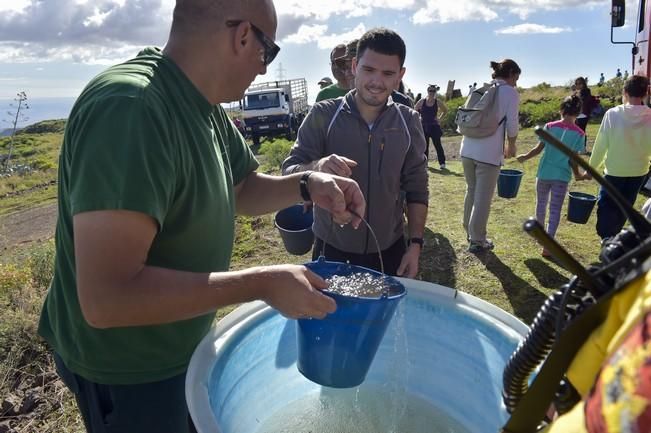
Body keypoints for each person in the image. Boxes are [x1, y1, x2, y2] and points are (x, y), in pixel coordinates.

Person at [37, 1, 367, 432]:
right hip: (129, 369)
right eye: (267, 53)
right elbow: (107, 299)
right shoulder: (131, 109)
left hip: (180, 344)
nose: (264, 70)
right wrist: (262, 283)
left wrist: (308, 183)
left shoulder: (204, 105)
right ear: (243, 35)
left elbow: (243, 188)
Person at [282, 28, 429, 278]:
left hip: (389, 249)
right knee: (331, 316)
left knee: (385, 317)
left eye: (388, 73)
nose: (376, 82)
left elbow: (417, 187)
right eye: (369, 70)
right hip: (331, 248)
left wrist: (415, 245)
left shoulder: (409, 121)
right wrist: (317, 167)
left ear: (400, 76)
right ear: (354, 66)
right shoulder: (322, 115)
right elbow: (289, 170)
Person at [459, 59, 521, 253]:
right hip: (488, 152)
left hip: (467, 148)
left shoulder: (481, 88)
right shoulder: (510, 92)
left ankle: (469, 231)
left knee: (471, 190)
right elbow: (512, 123)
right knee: (483, 198)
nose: (516, 83)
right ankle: (478, 240)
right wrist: (511, 145)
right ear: (510, 73)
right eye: (516, 78)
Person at [516, 95, 586, 257]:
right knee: (555, 210)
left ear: (561, 109)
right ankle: (548, 246)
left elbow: (538, 149)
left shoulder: (550, 126)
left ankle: (540, 236)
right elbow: (573, 159)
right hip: (562, 177)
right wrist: (578, 174)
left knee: (541, 204)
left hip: (544, 174)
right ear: (578, 113)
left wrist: (524, 157)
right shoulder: (579, 134)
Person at [583, 75, 651, 240]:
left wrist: (591, 169)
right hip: (639, 171)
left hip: (615, 170)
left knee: (606, 204)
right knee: (626, 204)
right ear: (645, 94)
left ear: (625, 92)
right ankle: (614, 235)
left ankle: (606, 238)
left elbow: (601, 145)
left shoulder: (613, 114)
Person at [414, 84, 448, 168]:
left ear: (435, 92)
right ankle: (425, 163)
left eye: (434, 91)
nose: (432, 92)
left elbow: (445, 110)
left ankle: (442, 163)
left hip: (434, 126)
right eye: (430, 91)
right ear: (427, 91)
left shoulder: (438, 101)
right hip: (423, 126)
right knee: (424, 146)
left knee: (438, 145)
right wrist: (418, 118)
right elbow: (414, 110)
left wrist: (439, 119)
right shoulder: (422, 101)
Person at [573, 76, 595, 152]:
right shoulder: (578, 92)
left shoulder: (586, 91)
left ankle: (583, 149)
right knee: (578, 131)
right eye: (576, 83)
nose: (577, 85)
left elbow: (583, 102)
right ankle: (579, 148)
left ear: (582, 84)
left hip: (583, 114)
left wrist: (575, 96)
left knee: (581, 131)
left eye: (578, 83)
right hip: (578, 114)